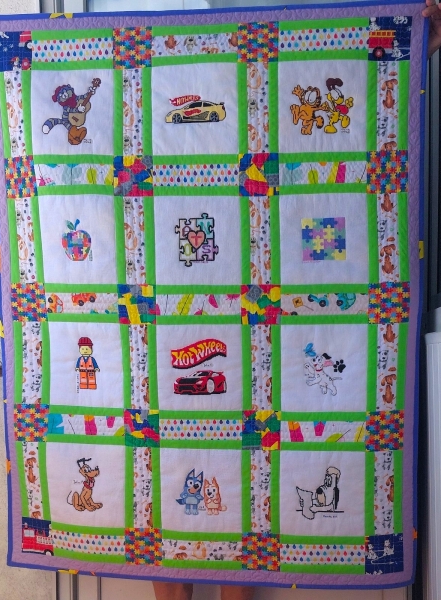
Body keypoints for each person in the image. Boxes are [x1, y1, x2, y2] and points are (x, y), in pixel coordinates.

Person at [152, 5, 441, 599]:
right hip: (183, 318)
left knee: (237, 510)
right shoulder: (177, 160)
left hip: (237, 328)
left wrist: (416, 43)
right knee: (173, 495)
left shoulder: (258, 107)